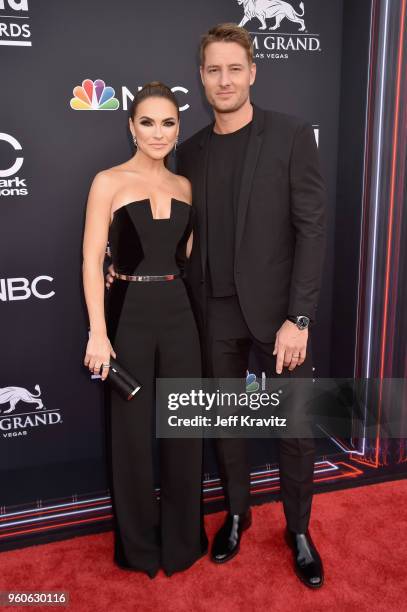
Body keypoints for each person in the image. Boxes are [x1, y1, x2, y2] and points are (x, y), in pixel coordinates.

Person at [107, 24, 327, 588]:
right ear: (201, 79)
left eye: (235, 68)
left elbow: (312, 230)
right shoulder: (193, 151)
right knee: (225, 423)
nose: (224, 79)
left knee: (294, 426)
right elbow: (177, 234)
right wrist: (122, 264)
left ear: (252, 72)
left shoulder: (292, 135)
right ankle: (236, 514)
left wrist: (298, 317)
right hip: (213, 311)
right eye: (213, 70)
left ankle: (299, 530)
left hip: (280, 315)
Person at [82, 81, 208, 578]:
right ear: (131, 127)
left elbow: (186, 256)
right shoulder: (107, 181)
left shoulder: (186, 187)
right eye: (148, 122)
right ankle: (137, 545)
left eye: (169, 122)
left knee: (184, 431)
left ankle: (181, 541)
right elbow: (92, 260)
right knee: (131, 436)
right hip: (128, 314)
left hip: (179, 312)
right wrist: (98, 331)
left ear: (178, 129)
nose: (158, 132)